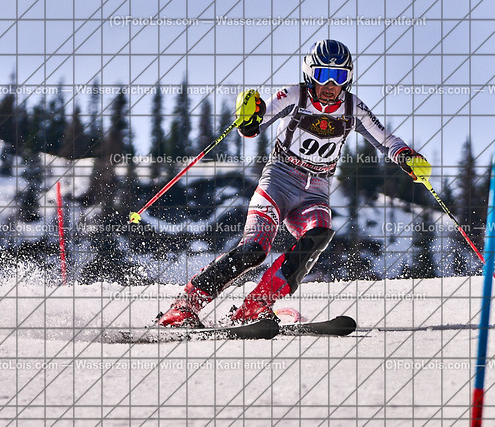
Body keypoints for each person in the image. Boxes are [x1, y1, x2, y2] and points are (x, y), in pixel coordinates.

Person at [157, 39, 431, 327]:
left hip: (315, 193)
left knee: (319, 234)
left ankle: (256, 306)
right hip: (278, 183)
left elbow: (386, 140)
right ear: (310, 74)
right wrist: (248, 116)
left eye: (339, 76)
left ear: (348, 78)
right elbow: (254, 126)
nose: (330, 85)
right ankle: (185, 304)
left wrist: (406, 156)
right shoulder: (294, 95)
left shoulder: (353, 107)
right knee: (254, 250)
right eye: (323, 74)